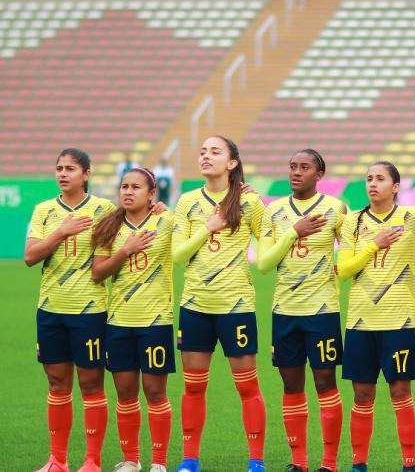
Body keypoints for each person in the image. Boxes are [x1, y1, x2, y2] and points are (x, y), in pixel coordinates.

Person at [171, 136, 267, 472]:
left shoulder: (250, 203)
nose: (205, 156)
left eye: (215, 151)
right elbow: (178, 255)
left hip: (236, 306)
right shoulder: (186, 202)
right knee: (193, 387)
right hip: (195, 306)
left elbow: (267, 251)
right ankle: (190, 460)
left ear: (232, 163)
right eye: (202, 151)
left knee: (248, 387)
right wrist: (207, 228)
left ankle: (256, 461)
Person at [257, 149, 348, 472]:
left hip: (322, 311)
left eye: (304, 167)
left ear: (319, 174)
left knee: (326, 383)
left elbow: (349, 251)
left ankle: (329, 463)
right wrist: (294, 232)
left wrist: (339, 266)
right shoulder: (275, 211)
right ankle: (299, 463)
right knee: (291, 385)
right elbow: (265, 264)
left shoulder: (336, 209)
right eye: (293, 166)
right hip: (284, 310)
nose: (296, 172)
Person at [25, 148, 115, 472]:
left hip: (90, 311)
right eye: (59, 168)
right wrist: (61, 230)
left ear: (86, 174)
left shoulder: (104, 209)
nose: (63, 174)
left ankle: (92, 461)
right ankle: (57, 461)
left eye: (71, 169)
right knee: (56, 384)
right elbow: (30, 255)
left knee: (91, 384)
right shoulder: (44, 210)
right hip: (50, 309)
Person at [338, 162, 415, 472]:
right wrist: (375, 244)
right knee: (362, 394)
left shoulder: (413, 217)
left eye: (380, 179)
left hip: (399, 322)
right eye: (369, 179)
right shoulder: (353, 222)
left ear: (396, 186)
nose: (372, 184)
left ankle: (409, 465)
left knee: (401, 392)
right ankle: (359, 464)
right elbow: (344, 270)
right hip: (361, 322)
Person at [91, 168, 175, 472]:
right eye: (124, 186)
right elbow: (98, 273)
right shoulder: (110, 227)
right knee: (125, 392)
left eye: (136, 187)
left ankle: (159, 463)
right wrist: (125, 251)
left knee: (155, 392)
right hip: (119, 322)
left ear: (151, 193)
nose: (128, 191)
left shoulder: (166, 221)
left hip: (156, 321)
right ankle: (131, 460)